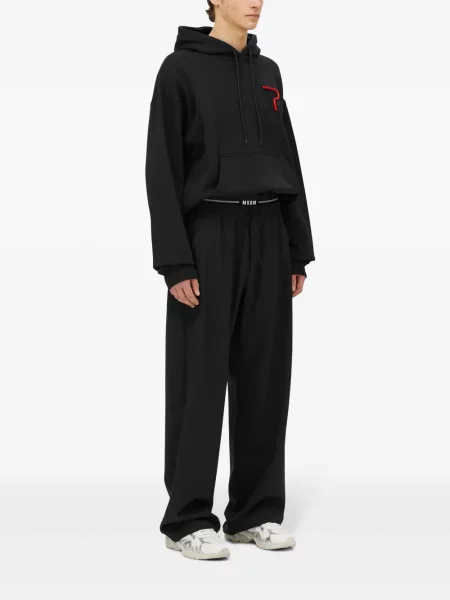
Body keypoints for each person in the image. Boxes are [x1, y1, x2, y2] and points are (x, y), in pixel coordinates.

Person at [145, 0, 315, 560]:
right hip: (208, 235)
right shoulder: (179, 70)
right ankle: (187, 520)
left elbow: (288, 158)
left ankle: (254, 513)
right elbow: (162, 168)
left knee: (266, 376)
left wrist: (296, 249)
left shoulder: (268, 72)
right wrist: (176, 262)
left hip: (268, 230)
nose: (255, 2)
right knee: (198, 381)